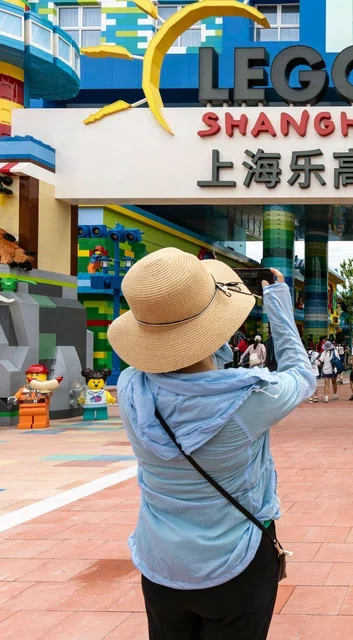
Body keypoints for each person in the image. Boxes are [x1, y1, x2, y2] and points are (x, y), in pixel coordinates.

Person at [108, 248, 315, 639]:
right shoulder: (249, 399)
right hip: (235, 564)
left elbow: (179, 375)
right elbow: (302, 374)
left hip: (160, 565)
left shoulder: (131, 388)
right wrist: (278, 302)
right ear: (215, 328)